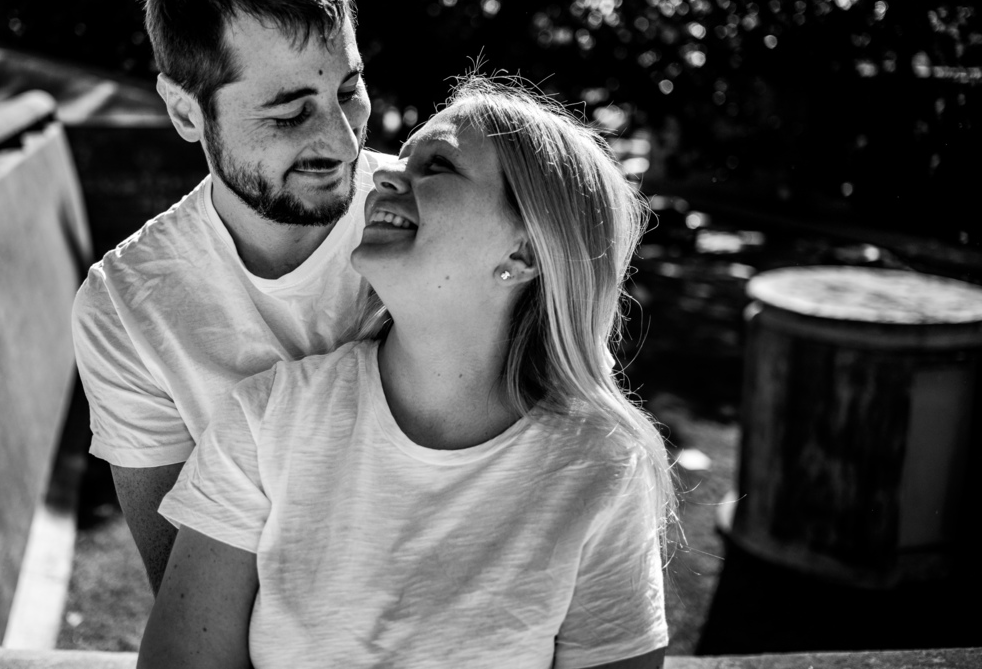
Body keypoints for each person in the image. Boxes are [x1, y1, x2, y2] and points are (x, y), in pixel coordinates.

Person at [139, 75, 675, 669]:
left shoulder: (599, 468)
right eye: (405, 158)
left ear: (523, 253)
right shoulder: (267, 419)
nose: (388, 175)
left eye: (437, 165)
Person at [71, 0, 386, 594]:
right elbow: (188, 599)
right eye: (290, 110)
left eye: (350, 89)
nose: (341, 141)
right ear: (186, 111)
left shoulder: (440, 214)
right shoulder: (125, 307)